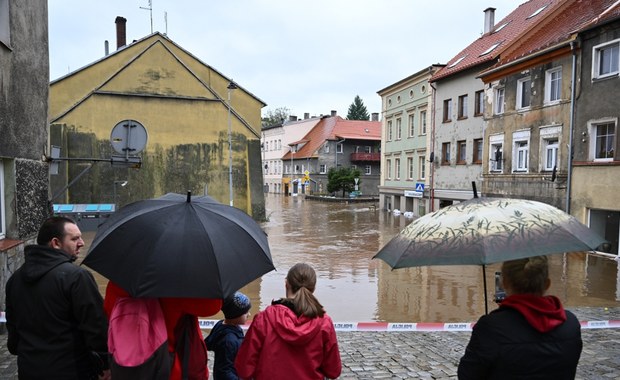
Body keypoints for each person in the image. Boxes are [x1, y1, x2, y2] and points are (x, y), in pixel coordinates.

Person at [5, 216, 111, 380]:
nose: (82, 243)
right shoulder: (77, 277)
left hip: (28, 371)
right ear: (56, 243)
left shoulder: (15, 279)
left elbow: (13, 340)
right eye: (75, 238)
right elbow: (97, 329)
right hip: (72, 371)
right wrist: (106, 363)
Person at [458, 255, 582, 379]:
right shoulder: (571, 324)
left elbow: (467, 375)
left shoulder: (490, 328)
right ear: (547, 284)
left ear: (504, 283)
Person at [235, 263, 341, 380]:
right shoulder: (324, 323)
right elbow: (333, 371)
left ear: (286, 284)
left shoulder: (264, 319)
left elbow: (244, 369)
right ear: (313, 288)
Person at [104, 281, 222, 380]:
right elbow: (213, 305)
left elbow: (108, 310)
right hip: (167, 365)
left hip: (124, 362)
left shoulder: (118, 282)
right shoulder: (176, 284)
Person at [205, 292, 252, 380]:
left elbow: (209, 343)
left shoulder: (221, 324)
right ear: (234, 315)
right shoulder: (228, 341)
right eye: (245, 313)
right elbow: (224, 371)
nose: (249, 315)